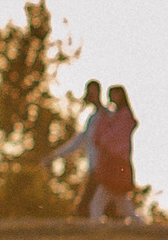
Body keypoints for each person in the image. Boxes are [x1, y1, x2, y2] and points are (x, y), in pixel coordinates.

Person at [48, 79, 105, 211]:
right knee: (101, 207)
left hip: (102, 168)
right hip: (95, 168)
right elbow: (77, 142)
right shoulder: (92, 118)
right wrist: (56, 155)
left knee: (85, 207)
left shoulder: (106, 116)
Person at [90, 85, 139, 223]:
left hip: (116, 163)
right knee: (122, 203)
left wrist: (103, 139)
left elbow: (112, 137)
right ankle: (139, 224)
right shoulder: (115, 116)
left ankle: (95, 227)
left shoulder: (124, 116)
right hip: (112, 162)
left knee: (99, 202)